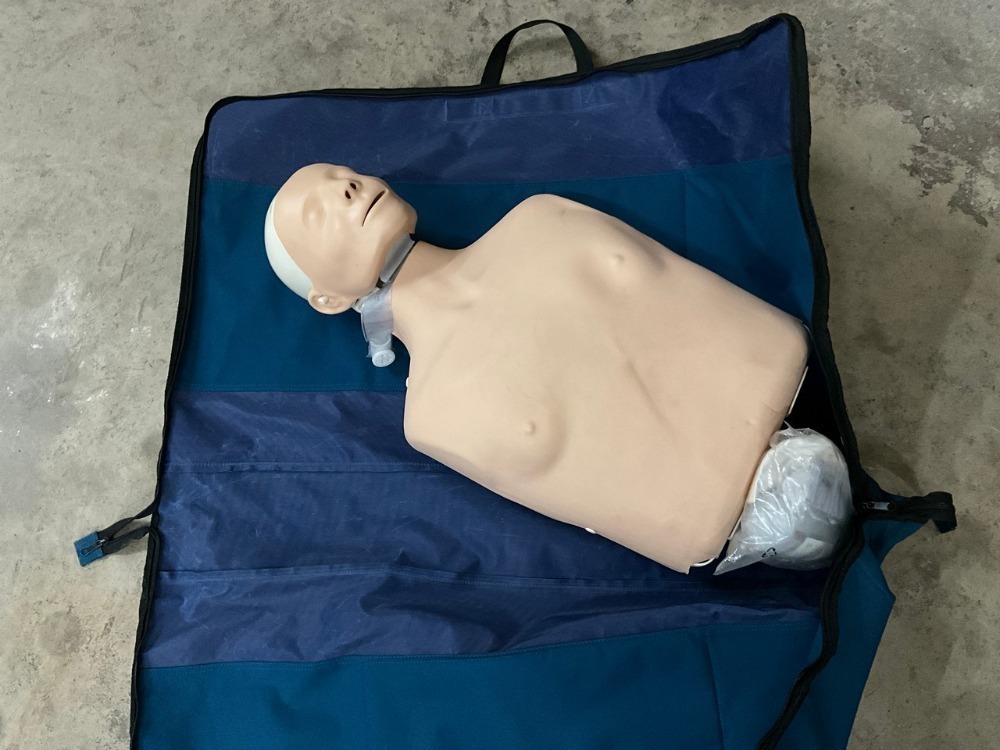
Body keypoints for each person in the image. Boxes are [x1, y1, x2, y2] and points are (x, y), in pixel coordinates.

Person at [264, 163, 809, 573]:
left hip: (794, 365)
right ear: (328, 301)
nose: (346, 187)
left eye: (343, 174)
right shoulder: (434, 417)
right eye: (317, 212)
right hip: (743, 529)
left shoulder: (540, 218)